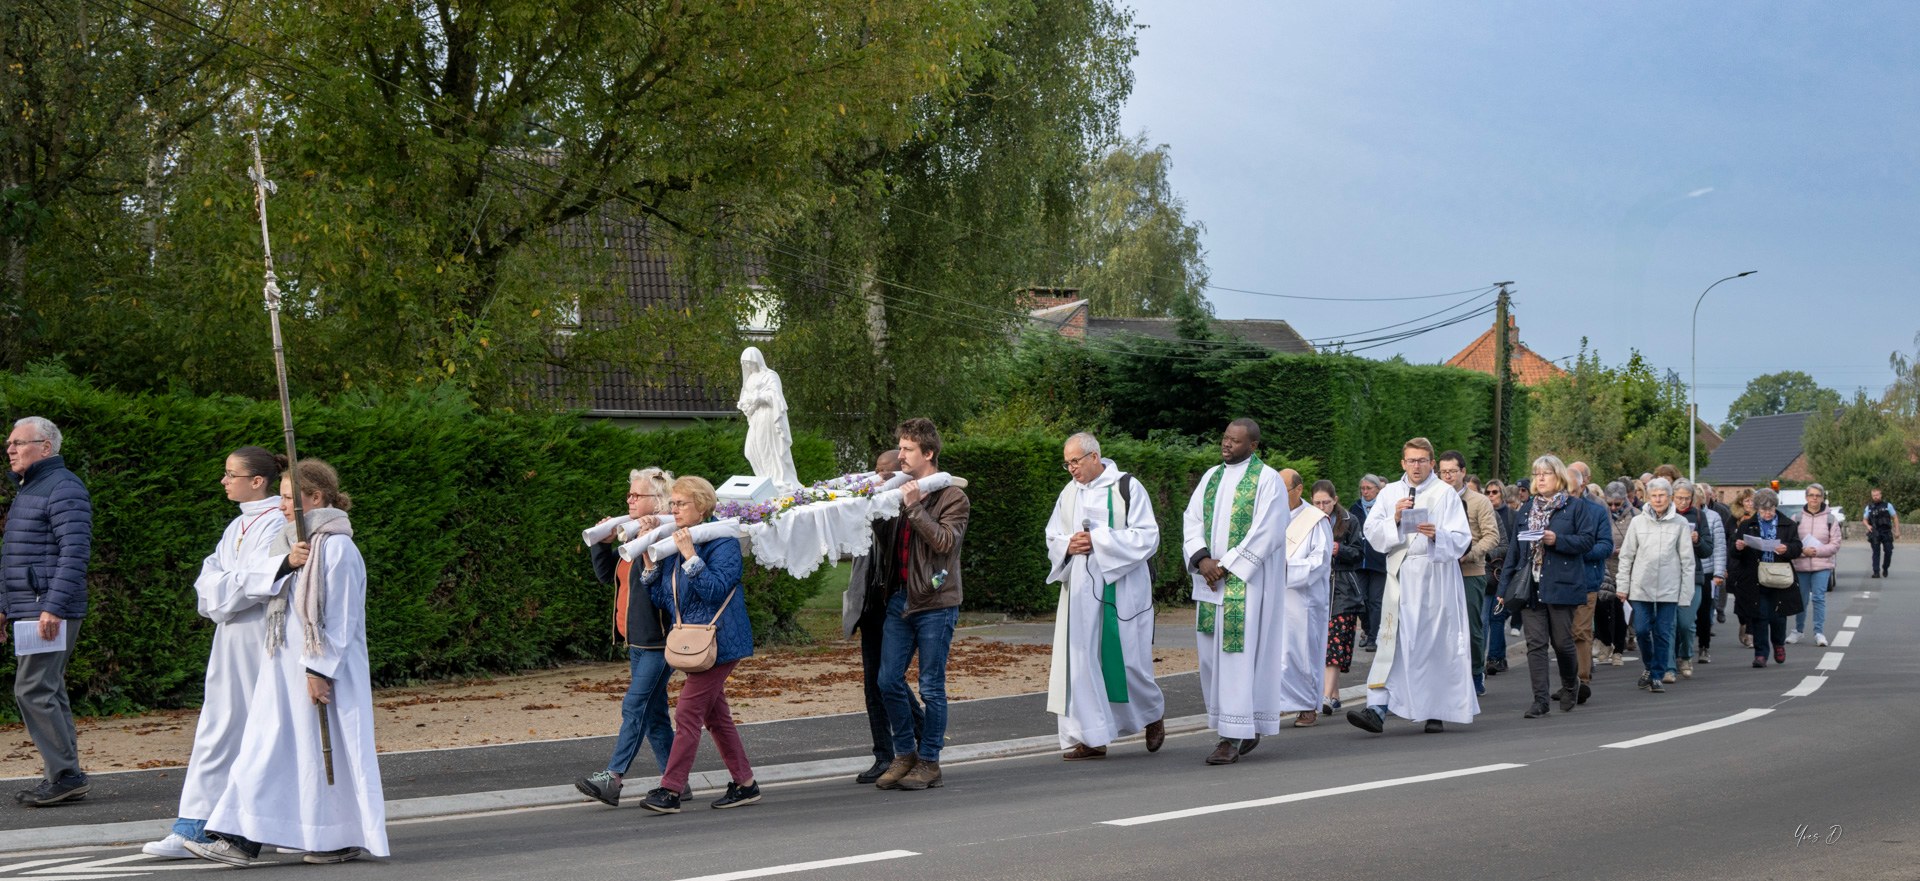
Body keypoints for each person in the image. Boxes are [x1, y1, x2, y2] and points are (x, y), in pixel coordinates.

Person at [187, 459, 386, 866]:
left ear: (316, 499)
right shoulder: (296, 545)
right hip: (282, 668)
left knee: (316, 755)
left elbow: (341, 617)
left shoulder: (337, 547)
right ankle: (260, 837)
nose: (280, 506)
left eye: (288, 499)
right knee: (272, 749)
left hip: (318, 673)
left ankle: (311, 837)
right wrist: (288, 562)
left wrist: (318, 671)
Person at [145, 448, 291, 857]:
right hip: (230, 638)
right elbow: (210, 580)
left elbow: (264, 579)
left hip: (260, 638)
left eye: (231, 474)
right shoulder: (238, 525)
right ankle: (196, 824)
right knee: (219, 728)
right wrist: (230, 587)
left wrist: (230, 587)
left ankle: (231, 827)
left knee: (254, 731)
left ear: (257, 480)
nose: (224, 481)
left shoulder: (276, 522)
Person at [637, 476, 760, 813]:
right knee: (716, 717)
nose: (673, 509)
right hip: (695, 639)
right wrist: (649, 567)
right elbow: (667, 599)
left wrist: (690, 555)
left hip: (719, 641)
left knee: (688, 712)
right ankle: (745, 783)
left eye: (681, 504)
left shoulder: (722, 541)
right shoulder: (676, 539)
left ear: (702, 507)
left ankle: (671, 789)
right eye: (672, 503)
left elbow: (715, 589)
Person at [1044, 433, 1167, 758]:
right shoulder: (1069, 493)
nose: (1071, 468)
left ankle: (1153, 712)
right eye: (1066, 462)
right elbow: (1052, 534)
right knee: (1082, 663)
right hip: (1081, 592)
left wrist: (1099, 540)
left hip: (1122, 590)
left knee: (1128, 662)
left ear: (1094, 457)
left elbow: (1148, 536)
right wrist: (1068, 544)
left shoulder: (1126, 486)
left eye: (1075, 461)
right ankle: (1092, 737)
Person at [1349, 438, 1477, 735]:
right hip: (1400, 575)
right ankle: (1377, 708)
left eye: (1422, 460)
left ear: (1432, 463)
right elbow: (1371, 532)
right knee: (1391, 642)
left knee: (1433, 646)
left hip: (1435, 578)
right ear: (1402, 463)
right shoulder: (1390, 492)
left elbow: (1461, 538)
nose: (1416, 466)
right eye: (1411, 460)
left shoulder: (1444, 494)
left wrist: (1437, 535)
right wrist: (1394, 518)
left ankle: (1435, 711)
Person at [1183, 418, 1290, 763]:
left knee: (1238, 657)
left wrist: (1226, 565)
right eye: (1225, 438)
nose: (1227, 444)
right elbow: (1192, 519)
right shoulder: (1211, 477)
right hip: (1211, 583)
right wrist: (1201, 560)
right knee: (1213, 658)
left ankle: (1231, 736)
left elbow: (1268, 531)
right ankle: (1237, 725)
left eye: (1235, 440)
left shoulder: (1267, 480)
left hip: (1246, 584)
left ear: (1253, 446)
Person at [873, 418, 971, 791]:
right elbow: (886, 543)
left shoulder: (953, 497)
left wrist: (914, 507)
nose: (900, 456)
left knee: (931, 687)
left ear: (928, 454)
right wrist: (879, 505)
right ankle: (904, 754)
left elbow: (945, 542)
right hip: (900, 598)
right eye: (900, 448)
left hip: (936, 601)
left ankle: (929, 761)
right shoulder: (899, 491)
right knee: (887, 680)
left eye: (907, 449)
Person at [574, 467, 679, 807]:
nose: (629, 500)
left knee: (635, 706)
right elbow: (608, 577)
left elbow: (664, 582)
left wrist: (650, 538)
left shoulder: (666, 533)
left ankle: (614, 777)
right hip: (636, 641)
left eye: (637, 495)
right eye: (629, 495)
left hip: (659, 641)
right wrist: (602, 545)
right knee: (655, 715)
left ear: (658, 499)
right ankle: (676, 781)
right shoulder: (633, 533)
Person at [3, 416, 93, 807]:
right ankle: (66, 774)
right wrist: (5, 608)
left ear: (45, 447)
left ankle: (66, 775)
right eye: (9, 444)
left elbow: (75, 552)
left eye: (18, 443)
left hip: (47, 608)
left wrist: (53, 607)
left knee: (33, 688)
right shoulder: (31, 488)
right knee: (47, 688)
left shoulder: (63, 487)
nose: (10, 450)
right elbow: (17, 556)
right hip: (31, 607)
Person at [1500, 456, 1602, 716]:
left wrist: (1558, 540)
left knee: (1562, 642)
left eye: (1546, 473)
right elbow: (1514, 550)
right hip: (1529, 586)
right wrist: (1503, 589)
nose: (1540, 478)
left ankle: (1570, 684)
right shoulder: (1526, 508)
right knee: (1535, 644)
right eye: (1536, 474)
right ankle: (1540, 701)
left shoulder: (1575, 507)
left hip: (1561, 583)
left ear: (1559, 477)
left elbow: (1587, 541)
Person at [844, 450, 923, 784]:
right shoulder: (866, 508)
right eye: (875, 473)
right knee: (875, 683)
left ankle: (922, 736)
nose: (878, 480)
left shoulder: (900, 512)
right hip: (869, 608)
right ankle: (884, 754)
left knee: (887, 679)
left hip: (896, 606)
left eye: (886, 474)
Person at [1617, 477, 1696, 694]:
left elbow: (1687, 561)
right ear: (1648, 498)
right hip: (1641, 587)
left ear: (1669, 497)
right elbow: (1626, 556)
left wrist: (1685, 594)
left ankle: (1657, 675)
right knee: (1642, 630)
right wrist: (1622, 586)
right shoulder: (1637, 522)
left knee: (1663, 632)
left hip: (1669, 588)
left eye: (1662, 495)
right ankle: (1650, 667)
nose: (1658, 499)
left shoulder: (1679, 523)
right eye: (1654, 496)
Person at [1437, 451, 1501, 697]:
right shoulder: (1435, 499)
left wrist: (1471, 553)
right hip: (1441, 571)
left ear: (1463, 472)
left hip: (1469, 571)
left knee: (1472, 626)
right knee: (1441, 626)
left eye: (1453, 471)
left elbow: (1492, 535)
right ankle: (1447, 674)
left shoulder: (1479, 501)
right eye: (1443, 472)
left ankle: (1476, 672)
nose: (1448, 476)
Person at [1276, 468, 1331, 727]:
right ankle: (1274, 704)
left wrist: (1288, 569)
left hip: (1304, 599)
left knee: (1302, 652)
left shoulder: (1315, 519)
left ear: (1298, 490)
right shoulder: (1270, 516)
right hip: (1275, 595)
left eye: (1282, 490)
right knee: (1275, 653)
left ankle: (1308, 705)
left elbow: (1319, 562)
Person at [1729, 489, 1803, 667]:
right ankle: (1760, 653)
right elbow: (1733, 551)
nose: (1767, 513)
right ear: (1757, 509)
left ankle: (1778, 644)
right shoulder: (1748, 525)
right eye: (1763, 510)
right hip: (1755, 577)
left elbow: (1797, 547)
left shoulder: (1788, 525)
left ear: (1776, 507)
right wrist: (1738, 547)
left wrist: (1787, 549)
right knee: (1759, 615)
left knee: (1778, 615)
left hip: (1779, 575)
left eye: (1770, 510)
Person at [1314, 481, 1365, 716]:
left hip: (1344, 588)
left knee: (1334, 641)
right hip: (1317, 587)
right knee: (1321, 643)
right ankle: (1333, 695)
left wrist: (1339, 550)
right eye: (1317, 502)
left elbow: (1359, 554)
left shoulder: (1349, 520)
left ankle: (1326, 695)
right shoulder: (1307, 521)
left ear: (1335, 500)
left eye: (1326, 502)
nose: (1322, 507)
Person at [1565, 462, 1613, 702]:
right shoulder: (1555, 509)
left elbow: (1606, 545)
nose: (1569, 497)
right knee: (1562, 633)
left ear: (1582, 485)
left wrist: (1578, 550)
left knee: (1581, 631)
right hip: (1559, 580)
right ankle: (1567, 680)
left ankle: (1581, 680)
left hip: (1586, 579)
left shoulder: (1596, 510)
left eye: (1572, 492)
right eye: (1566, 492)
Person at [1671, 480, 1719, 676]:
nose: (1683, 502)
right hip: (1669, 575)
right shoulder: (1666, 515)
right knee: (1670, 622)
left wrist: (1698, 540)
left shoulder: (1699, 516)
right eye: (1679, 498)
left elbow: (1708, 549)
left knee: (1686, 622)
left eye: (1687, 498)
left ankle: (1686, 655)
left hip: (1693, 575)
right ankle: (1669, 662)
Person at [737, 347, 801, 491]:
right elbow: (746, 395)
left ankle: (777, 479)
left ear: (757, 360)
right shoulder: (750, 378)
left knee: (767, 448)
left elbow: (776, 396)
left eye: (750, 362)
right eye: (745, 363)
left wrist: (760, 398)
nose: (748, 366)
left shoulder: (770, 375)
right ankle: (764, 479)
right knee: (750, 450)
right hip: (756, 416)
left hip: (768, 415)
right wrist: (745, 404)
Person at [1790, 483, 1841, 647]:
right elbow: (1791, 543)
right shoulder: (1796, 518)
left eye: (1818, 495)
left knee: (1819, 598)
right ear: (1806, 497)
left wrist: (1817, 551)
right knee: (1801, 599)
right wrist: (1803, 551)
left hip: (1822, 565)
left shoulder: (1830, 519)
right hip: (1801, 565)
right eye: (1811, 495)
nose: (1814, 498)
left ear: (1822, 498)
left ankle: (1819, 632)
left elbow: (1835, 544)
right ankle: (1798, 630)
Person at [1482, 480, 1519, 679]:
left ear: (1502, 494)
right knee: (1486, 617)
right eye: (1487, 492)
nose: (1491, 495)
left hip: (1504, 573)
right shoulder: (1485, 513)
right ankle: (1495, 657)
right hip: (1486, 575)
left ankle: (1496, 656)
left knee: (1497, 616)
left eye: (1495, 492)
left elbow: (1514, 545)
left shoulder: (1512, 516)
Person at [1595, 483, 1633, 667]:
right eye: (1610, 503)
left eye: (1617, 504)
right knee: (1601, 609)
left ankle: (1618, 649)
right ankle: (1605, 641)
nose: (1613, 508)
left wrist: (1626, 551)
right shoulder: (1601, 515)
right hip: (1604, 569)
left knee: (1619, 612)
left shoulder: (1635, 517)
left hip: (1625, 570)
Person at [1351, 475, 1389, 650]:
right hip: (1359, 562)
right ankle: (1367, 629)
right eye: (1363, 488)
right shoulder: (1355, 508)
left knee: (1375, 600)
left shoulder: (1384, 508)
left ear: (1377, 490)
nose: (1365, 492)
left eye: (1368, 488)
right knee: (1361, 599)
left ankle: (1374, 637)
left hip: (1379, 560)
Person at [1699, 484, 1735, 624]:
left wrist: (1722, 565)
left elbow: (1724, 536)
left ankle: (1719, 609)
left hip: (1715, 556)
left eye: (1706, 495)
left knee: (1719, 587)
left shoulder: (1720, 511)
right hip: (1701, 561)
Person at [1862, 487, 1898, 578]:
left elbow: (1895, 517)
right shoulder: (1869, 507)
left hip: (1886, 532)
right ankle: (1876, 572)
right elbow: (1864, 520)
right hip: (1875, 532)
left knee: (1888, 551)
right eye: (1874, 495)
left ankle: (1885, 567)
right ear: (1872, 496)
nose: (1875, 497)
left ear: (1880, 495)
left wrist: (1897, 530)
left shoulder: (1887, 505)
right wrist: (1868, 525)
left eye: (1877, 495)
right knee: (1876, 552)